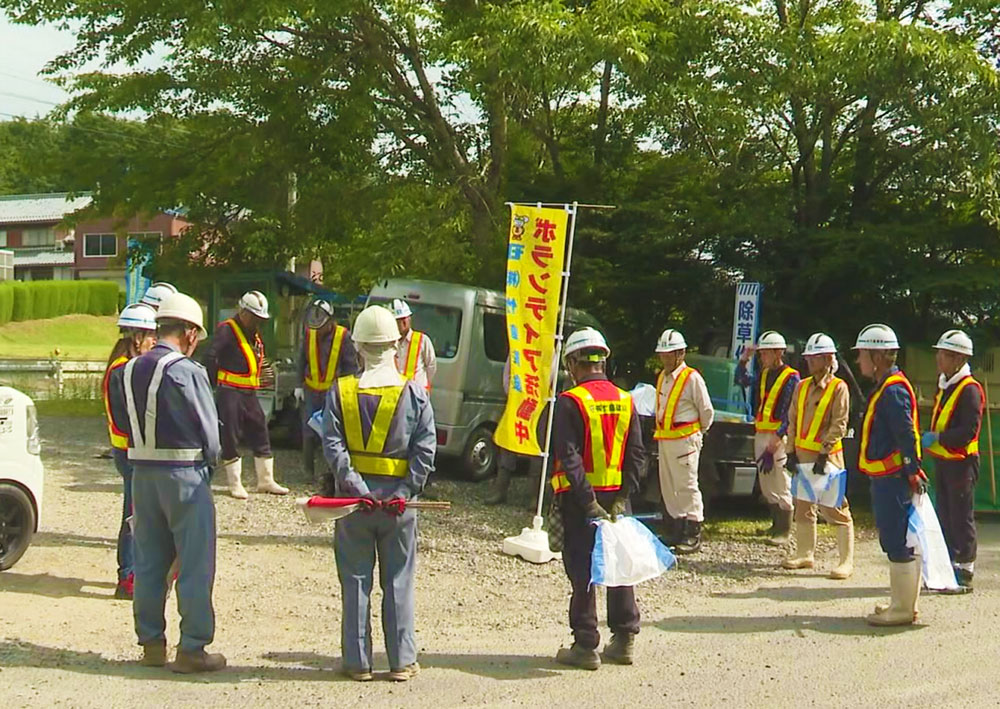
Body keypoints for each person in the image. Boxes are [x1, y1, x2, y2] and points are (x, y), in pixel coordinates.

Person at [320, 305, 435, 682]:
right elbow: (425, 451)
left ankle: (357, 663)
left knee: (355, 581)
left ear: (358, 347)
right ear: (395, 346)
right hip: (400, 506)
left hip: (354, 505)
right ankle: (401, 661)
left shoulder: (341, 391)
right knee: (398, 580)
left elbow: (333, 447)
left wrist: (357, 488)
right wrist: (405, 489)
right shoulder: (415, 393)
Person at [113, 292, 226, 672]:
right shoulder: (187, 371)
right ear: (190, 333)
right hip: (184, 474)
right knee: (194, 563)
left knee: (148, 562)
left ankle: (151, 645)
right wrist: (212, 465)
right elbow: (210, 433)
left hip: (141, 474)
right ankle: (192, 648)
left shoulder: (126, 371)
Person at [551, 327, 643, 670]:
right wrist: (622, 499)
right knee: (619, 567)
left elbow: (569, 456)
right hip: (618, 503)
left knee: (582, 570)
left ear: (574, 362)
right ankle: (624, 640)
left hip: (581, 503)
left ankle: (586, 644)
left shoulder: (570, 401)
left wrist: (588, 500)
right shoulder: (626, 399)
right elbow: (636, 454)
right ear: (603, 359)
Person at [853, 323, 925, 626]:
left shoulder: (893, 389)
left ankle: (903, 610)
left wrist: (911, 471)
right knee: (896, 538)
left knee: (897, 540)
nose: (858, 361)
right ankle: (901, 602)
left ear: (878, 356)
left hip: (893, 478)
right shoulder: (886, 386)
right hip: (889, 476)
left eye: (862, 355)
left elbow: (904, 433)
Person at [782, 333, 855, 579]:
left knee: (835, 507)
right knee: (803, 506)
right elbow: (792, 419)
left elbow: (839, 423)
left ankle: (846, 561)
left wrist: (824, 453)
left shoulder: (839, 388)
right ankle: (805, 553)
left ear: (827, 359)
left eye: (815, 358)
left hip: (827, 458)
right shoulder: (801, 386)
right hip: (802, 455)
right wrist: (790, 450)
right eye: (809, 358)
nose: (810, 362)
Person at [206, 290, 288, 498]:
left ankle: (265, 480)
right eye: (254, 317)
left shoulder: (254, 333)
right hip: (230, 392)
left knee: (260, 429)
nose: (257, 322)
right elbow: (210, 356)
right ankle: (235, 483)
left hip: (249, 392)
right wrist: (211, 384)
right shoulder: (227, 330)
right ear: (243, 312)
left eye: (260, 319)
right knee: (230, 435)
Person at [103, 303, 158, 599]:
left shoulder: (124, 367)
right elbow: (131, 418)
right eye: (151, 335)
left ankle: (134, 574)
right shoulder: (122, 371)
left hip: (131, 453)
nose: (154, 341)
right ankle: (127, 578)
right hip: (131, 455)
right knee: (134, 517)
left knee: (139, 515)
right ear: (136, 337)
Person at [923, 329, 983, 589]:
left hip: (961, 464)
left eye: (944, 355)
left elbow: (968, 432)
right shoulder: (946, 385)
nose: (938, 358)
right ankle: (948, 564)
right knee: (946, 514)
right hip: (946, 462)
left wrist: (938, 438)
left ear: (958, 358)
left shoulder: (969, 390)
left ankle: (965, 568)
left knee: (961, 516)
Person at [653, 328, 714, 554]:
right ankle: (675, 528)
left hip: (685, 439)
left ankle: (692, 532)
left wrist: (699, 432)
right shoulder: (663, 376)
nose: (665, 358)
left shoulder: (692, 378)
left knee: (687, 485)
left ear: (681, 353)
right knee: (668, 485)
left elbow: (706, 410)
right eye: (663, 354)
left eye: (669, 354)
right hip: (666, 438)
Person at [736, 331, 799, 546]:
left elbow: (788, 411)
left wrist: (778, 438)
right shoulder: (763, 374)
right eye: (761, 354)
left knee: (780, 479)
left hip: (777, 436)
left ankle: (785, 529)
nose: (762, 357)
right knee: (765, 480)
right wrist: (744, 359)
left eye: (765, 353)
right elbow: (741, 380)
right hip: (761, 432)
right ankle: (776, 523)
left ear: (778, 352)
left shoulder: (791, 377)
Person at [297, 299, 358, 482]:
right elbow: (302, 360)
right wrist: (299, 385)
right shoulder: (309, 334)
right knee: (308, 432)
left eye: (321, 325)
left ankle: (332, 474)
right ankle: (308, 472)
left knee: (332, 433)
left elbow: (350, 366)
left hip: (333, 393)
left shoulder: (343, 336)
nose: (318, 329)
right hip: (311, 390)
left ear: (331, 321)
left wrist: (346, 391)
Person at [390, 299, 437, 389]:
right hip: (396, 394)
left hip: (417, 393)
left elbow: (431, 366)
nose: (403, 322)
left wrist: (423, 385)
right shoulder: (389, 343)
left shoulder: (422, 340)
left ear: (409, 318)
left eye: (405, 318)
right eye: (399, 320)